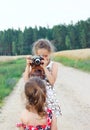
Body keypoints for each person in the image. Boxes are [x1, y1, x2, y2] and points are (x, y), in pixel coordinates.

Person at [24, 38, 62, 117]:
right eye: (40, 56)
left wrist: (44, 67)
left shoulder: (53, 65)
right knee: (36, 119)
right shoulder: (34, 64)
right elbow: (26, 81)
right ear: (35, 55)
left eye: (45, 56)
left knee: (51, 120)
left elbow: (52, 82)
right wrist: (28, 66)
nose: (43, 58)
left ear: (50, 53)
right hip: (35, 96)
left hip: (48, 98)